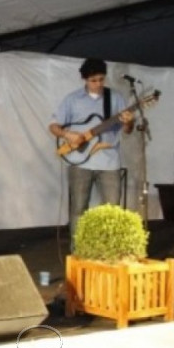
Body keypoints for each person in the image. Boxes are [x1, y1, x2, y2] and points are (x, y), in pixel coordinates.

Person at [49, 58, 134, 249]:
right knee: (78, 208)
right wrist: (67, 133)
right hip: (80, 162)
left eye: (101, 80)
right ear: (84, 79)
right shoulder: (72, 99)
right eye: (93, 80)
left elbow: (127, 130)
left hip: (109, 161)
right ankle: (78, 250)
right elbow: (53, 126)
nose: (98, 84)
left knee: (112, 210)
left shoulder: (116, 98)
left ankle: (110, 250)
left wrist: (129, 121)